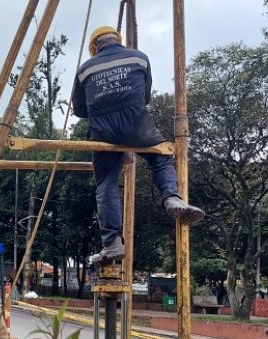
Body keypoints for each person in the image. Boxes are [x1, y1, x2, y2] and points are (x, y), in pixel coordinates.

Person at [72, 26, 205, 264]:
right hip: (137, 123)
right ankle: (171, 198)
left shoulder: (85, 70)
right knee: (159, 159)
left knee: (106, 183)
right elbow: (144, 97)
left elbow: (80, 110)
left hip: (103, 131)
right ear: (118, 41)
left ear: (94, 47)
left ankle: (112, 243)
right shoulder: (139, 58)